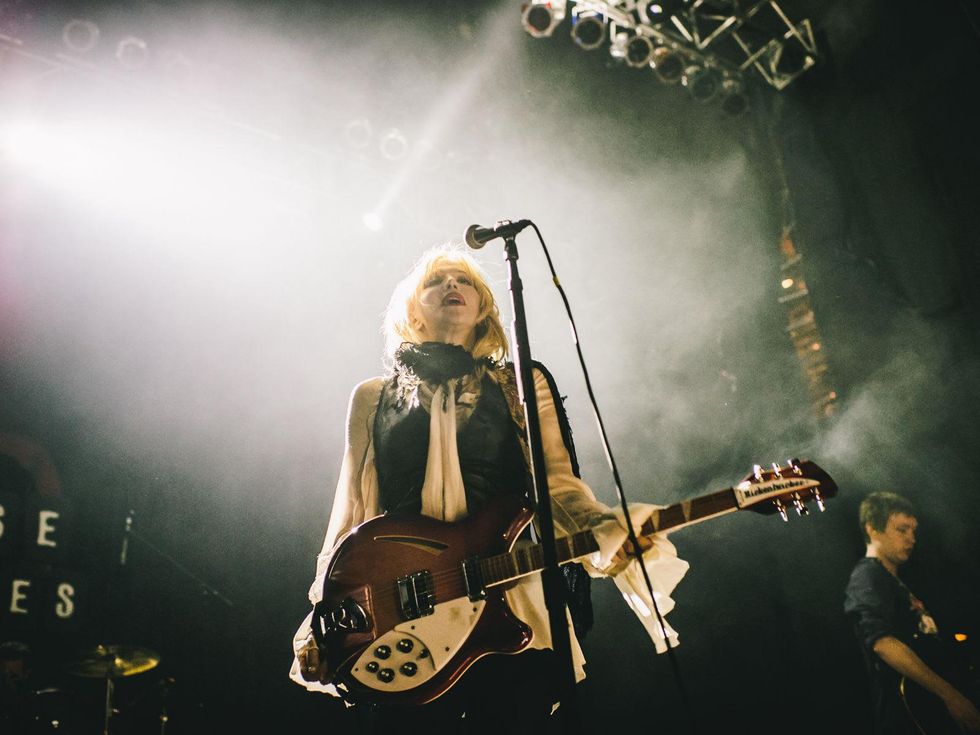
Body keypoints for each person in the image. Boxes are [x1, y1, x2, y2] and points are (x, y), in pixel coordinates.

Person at [289, 246, 689, 733]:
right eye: (436, 280)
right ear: (412, 310)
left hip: (507, 597)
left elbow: (557, 488)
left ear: (483, 308)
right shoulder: (373, 396)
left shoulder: (522, 382)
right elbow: (353, 507)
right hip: (404, 607)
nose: (452, 286)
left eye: (466, 281)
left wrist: (605, 531)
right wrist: (323, 615)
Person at [844, 491, 980, 735]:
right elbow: (882, 643)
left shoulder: (896, 583)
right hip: (907, 718)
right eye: (902, 530)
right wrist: (951, 696)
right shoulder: (867, 576)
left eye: (913, 531)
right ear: (872, 529)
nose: (911, 538)